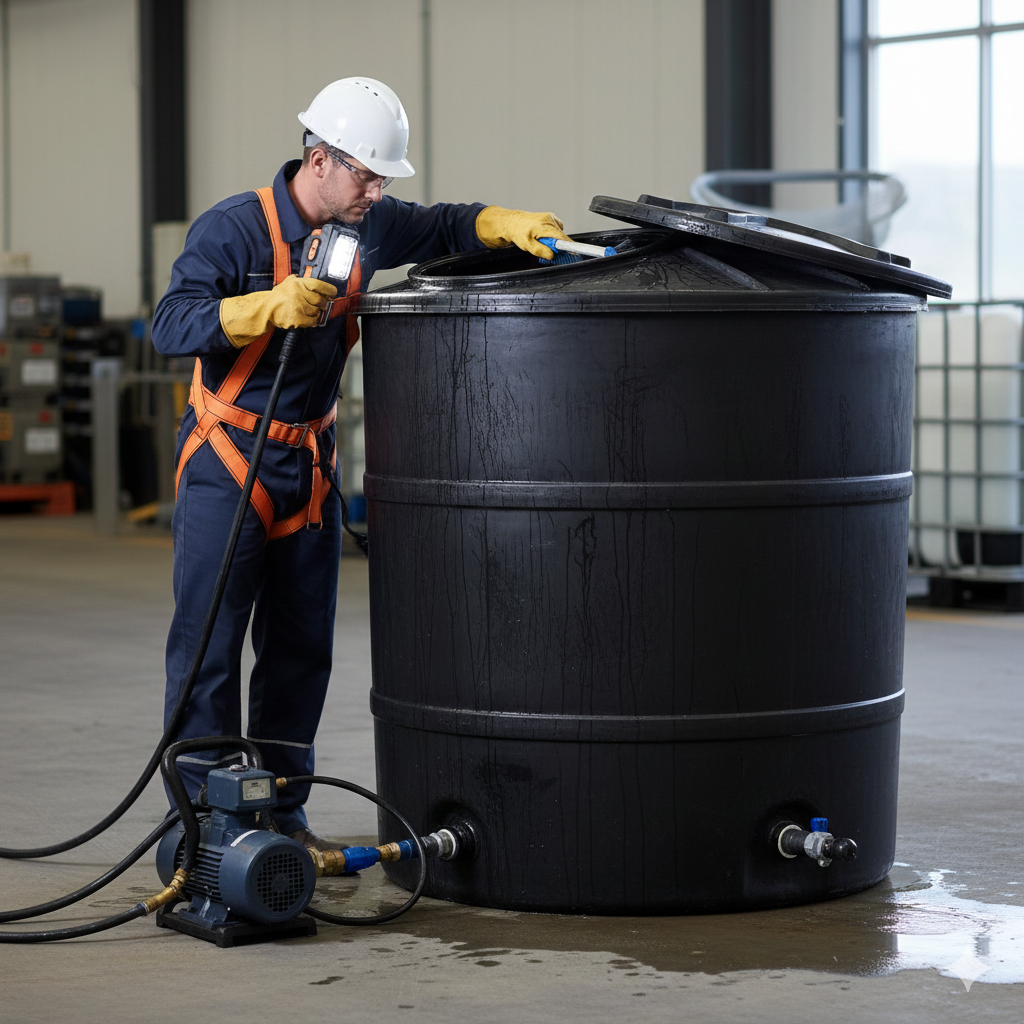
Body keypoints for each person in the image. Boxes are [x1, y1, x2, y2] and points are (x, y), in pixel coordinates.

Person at [151, 77, 570, 849]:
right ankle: (205, 824)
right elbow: (170, 325)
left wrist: (499, 222)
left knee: (301, 650)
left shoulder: (367, 227)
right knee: (208, 645)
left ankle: (279, 811)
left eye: (383, 179)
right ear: (319, 160)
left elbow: (442, 225)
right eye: (367, 175)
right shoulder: (233, 230)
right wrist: (262, 307)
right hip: (227, 460)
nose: (378, 191)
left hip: (305, 467)